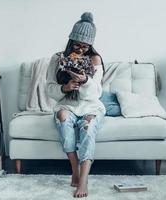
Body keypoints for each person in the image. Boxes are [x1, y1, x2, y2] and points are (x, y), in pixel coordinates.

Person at [46, 12, 106, 198]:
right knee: (63, 117)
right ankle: (74, 168)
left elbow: (97, 93)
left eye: (86, 46)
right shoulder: (57, 59)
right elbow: (49, 89)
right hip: (68, 105)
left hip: (91, 106)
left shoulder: (95, 60)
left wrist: (85, 80)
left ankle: (83, 180)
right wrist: (65, 87)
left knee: (87, 126)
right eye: (77, 44)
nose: (81, 49)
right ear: (71, 41)